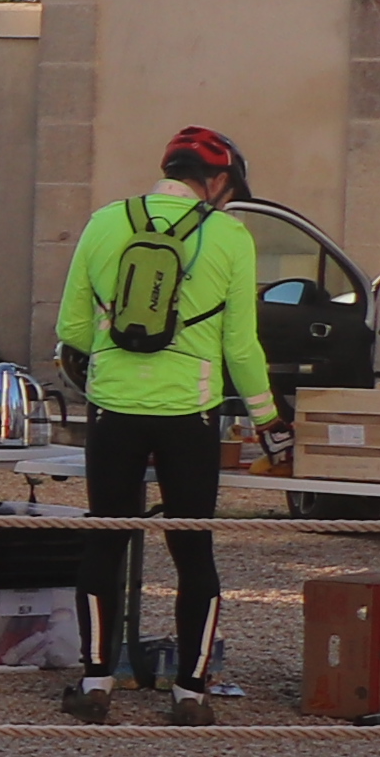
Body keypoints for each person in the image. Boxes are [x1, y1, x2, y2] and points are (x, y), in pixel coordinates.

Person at [54, 122, 276, 723]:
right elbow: (241, 346)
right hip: (191, 411)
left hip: (114, 407)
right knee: (193, 550)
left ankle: (97, 682)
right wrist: (268, 421)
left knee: (104, 539)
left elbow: (72, 329)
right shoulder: (230, 236)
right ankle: (190, 692)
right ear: (219, 180)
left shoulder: (105, 222)